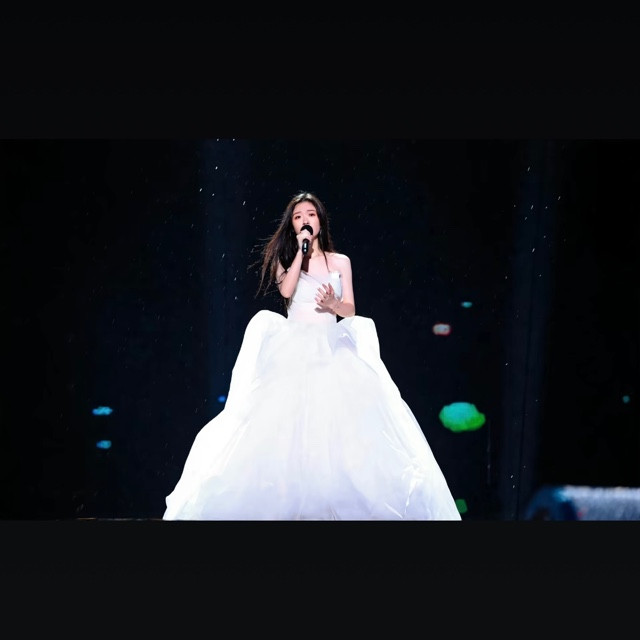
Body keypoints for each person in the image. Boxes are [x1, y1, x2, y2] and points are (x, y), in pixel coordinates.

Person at [163, 191, 461, 520]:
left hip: (332, 349)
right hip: (292, 350)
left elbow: (350, 309)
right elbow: (286, 291)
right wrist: (299, 255)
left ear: (320, 220)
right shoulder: (286, 259)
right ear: (292, 226)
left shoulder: (340, 261)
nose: (305, 220)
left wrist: (333, 304)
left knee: (341, 430)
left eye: (311, 214)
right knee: (284, 430)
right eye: (298, 216)